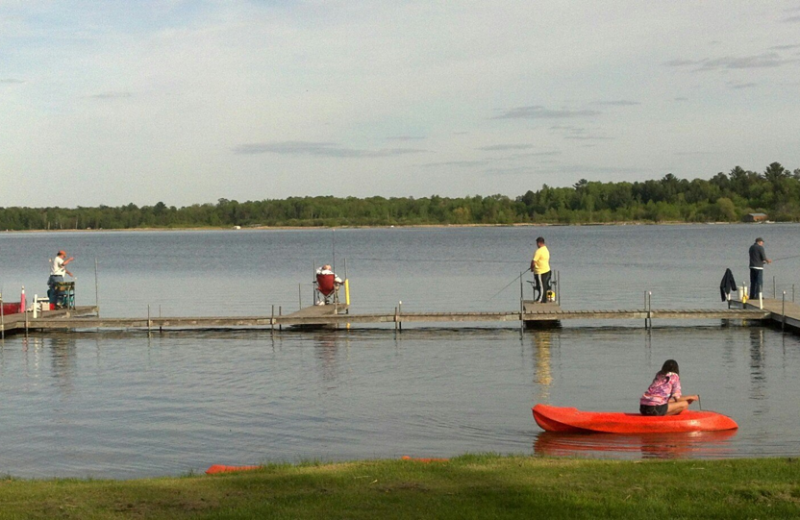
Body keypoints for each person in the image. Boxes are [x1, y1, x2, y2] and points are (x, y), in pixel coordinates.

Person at [530, 237, 551, 303]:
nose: (536, 245)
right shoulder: (546, 249)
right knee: (543, 285)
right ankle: (543, 298)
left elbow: (534, 261)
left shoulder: (538, 251)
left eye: (537, 243)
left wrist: (532, 268)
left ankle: (541, 299)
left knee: (541, 286)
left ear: (539, 243)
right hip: (547, 270)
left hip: (540, 271)